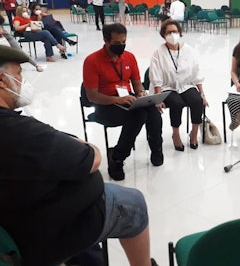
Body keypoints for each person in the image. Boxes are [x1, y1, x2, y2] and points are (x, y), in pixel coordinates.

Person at [0, 46, 157, 266]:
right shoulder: (17, 130)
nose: (22, 80)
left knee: (146, 111)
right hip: (42, 228)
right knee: (133, 204)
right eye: (18, 74)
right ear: (2, 80)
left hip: (28, 215)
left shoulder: (18, 129)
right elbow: (91, 157)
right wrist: (85, 145)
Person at [83, 23, 163, 181]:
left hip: (127, 98)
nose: (121, 46)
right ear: (106, 40)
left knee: (153, 110)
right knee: (138, 116)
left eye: (124, 42)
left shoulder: (129, 57)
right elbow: (92, 96)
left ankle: (156, 149)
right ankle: (117, 158)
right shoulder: (92, 61)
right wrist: (117, 99)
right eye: (117, 43)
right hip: (104, 104)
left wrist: (141, 92)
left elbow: (137, 82)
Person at [149, 19, 206, 151]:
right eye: (168, 32)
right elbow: (155, 77)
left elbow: (196, 72)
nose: (172, 34)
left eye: (174, 31)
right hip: (166, 87)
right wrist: (157, 97)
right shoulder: (158, 53)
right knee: (177, 103)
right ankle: (176, 134)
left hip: (186, 84)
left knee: (197, 100)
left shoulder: (189, 50)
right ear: (163, 35)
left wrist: (202, 93)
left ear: (179, 33)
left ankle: (194, 133)